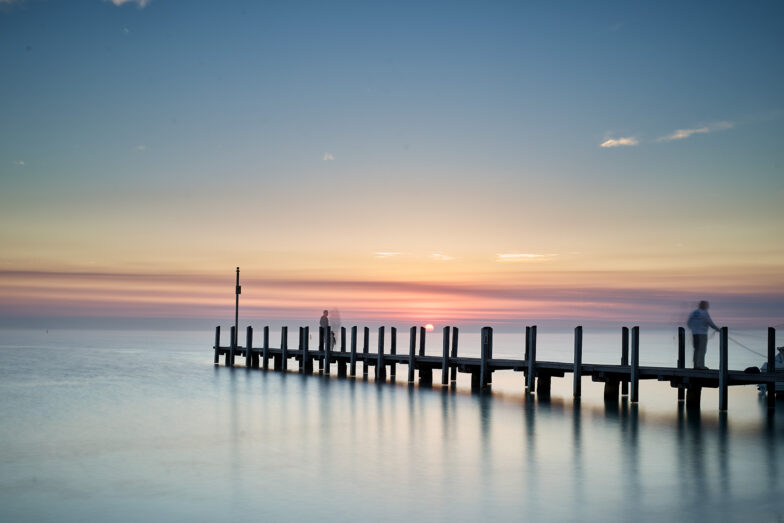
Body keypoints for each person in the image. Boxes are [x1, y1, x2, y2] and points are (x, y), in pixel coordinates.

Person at [687, 300, 720, 369]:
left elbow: (689, 323)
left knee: (696, 349)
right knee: (702, 350)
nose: (707, 307)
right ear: (704, 306)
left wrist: (694, 329)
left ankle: (696, 365)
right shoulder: (704, 313)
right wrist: (718, 329)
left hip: (695, 334)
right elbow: (710, 322)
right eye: (706, 305)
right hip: (702, 334)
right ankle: (701, 366)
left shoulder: (693, 312)